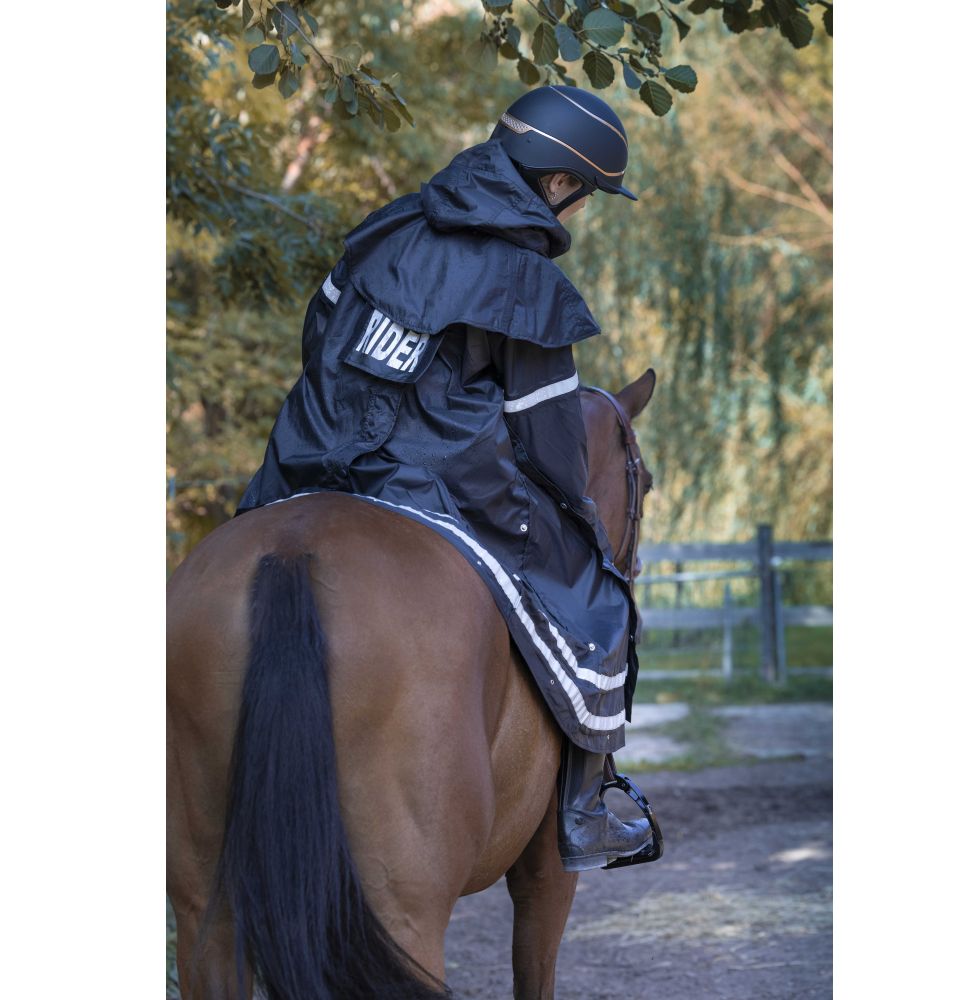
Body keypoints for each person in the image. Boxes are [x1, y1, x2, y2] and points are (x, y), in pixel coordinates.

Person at [237, 85, 657, 872]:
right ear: (558, 182)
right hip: (440, 486)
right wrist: (573, 518)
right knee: (599, 594)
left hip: (306, 457)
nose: (580, 210)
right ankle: (583, 810)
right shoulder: (529, 284)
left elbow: (318, 341)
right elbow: (549, 439)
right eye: (587, 194)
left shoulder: (385, 229)